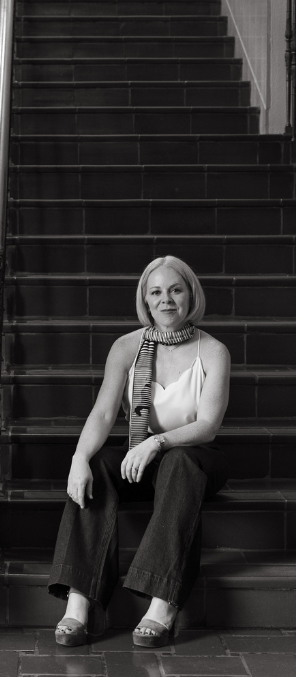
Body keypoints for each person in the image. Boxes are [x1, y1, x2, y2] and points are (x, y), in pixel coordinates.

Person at [48, 256, 230, 648]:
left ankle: (162, 602)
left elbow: (208, 424)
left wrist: (157, 442)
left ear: (190, 295)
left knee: (179, 463)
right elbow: (103, 412)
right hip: (141, 455)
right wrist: (79, 460)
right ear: (145, 302)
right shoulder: (128, 347)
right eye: (156, 292)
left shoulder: (213, 351)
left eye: (176, 290)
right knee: (98, 464)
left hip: (195, 456)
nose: (167, 300)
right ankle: (80, 601)